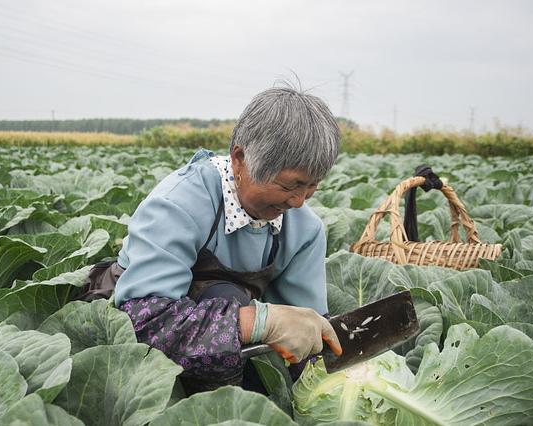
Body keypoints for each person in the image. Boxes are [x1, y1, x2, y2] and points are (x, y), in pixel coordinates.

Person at [83, 85, 343, 393]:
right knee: (224, 296)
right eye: (290, 185)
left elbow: (309, 327)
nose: (299, 200)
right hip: (133, 335)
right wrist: (261, 322)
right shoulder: (179, 204)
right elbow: (144, 323)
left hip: (226, 342)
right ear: (239, 158)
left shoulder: (304, 228)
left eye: (312, 186)